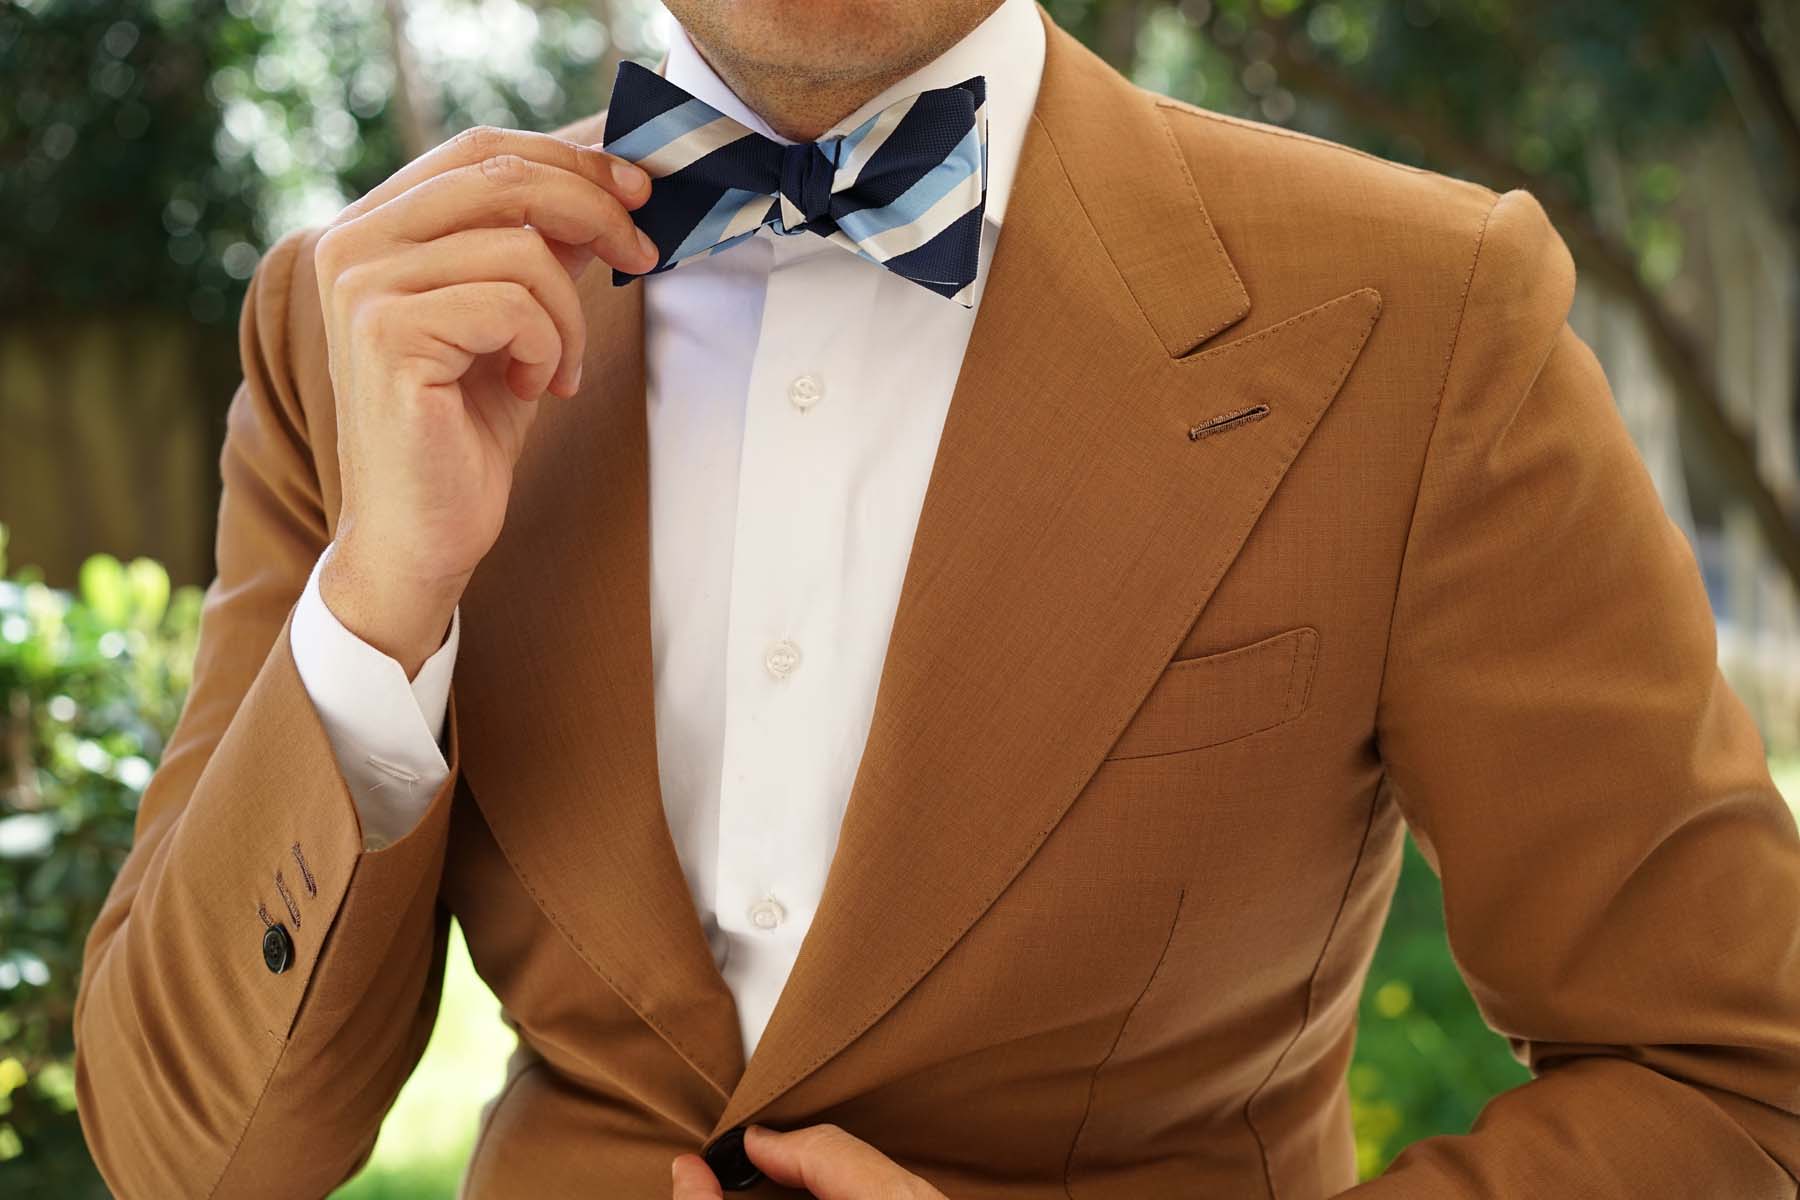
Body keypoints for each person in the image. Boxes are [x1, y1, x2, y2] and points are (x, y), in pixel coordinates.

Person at [72, 0, 1800, 1196]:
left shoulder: (1422, 318)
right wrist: (383, 601)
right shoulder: (356, 325)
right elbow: (190, 1158)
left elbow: (1742, 1089)